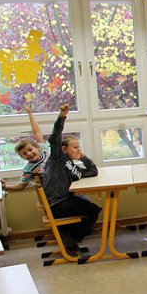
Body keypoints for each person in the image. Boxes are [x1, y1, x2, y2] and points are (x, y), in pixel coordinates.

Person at [42, 104, 101, 256]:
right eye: (74, 147)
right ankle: (68, 238)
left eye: (79, 147)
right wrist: (62, 116)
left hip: (64, 201)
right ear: (63, 149)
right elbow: (55, 137)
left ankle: (67, 237)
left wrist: (83, 157)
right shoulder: (57, 159)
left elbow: (92, 172)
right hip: (57, 203)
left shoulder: (71, 165)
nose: (78, 149)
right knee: (92, 210)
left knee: (91, 207)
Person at [0, 105, 47, 192]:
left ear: (37, 147)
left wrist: (30, 113)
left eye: (30, 150)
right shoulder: (29, 169)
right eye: (24, 154)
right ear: (22, 158)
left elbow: (37, 132)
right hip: (55, 195)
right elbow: (21, 186)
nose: (28, 154)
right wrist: (5, 187)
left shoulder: (43, 149)